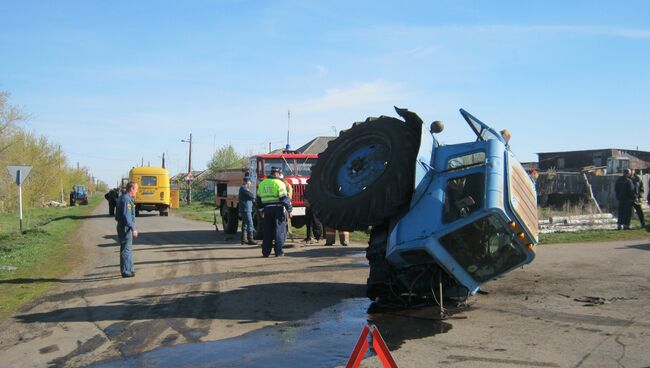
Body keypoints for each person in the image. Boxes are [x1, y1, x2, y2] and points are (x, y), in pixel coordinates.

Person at [256, 167, 292, 257]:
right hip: (278, 209)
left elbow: (258, 199)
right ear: (277, 173)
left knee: (267, 232)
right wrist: (289, 209)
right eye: (280, 174)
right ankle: (278, 252)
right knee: (279, 231)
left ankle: (266, 252)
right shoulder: (279, 183)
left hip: (267, 210)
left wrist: (261, 210)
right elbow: (284, 198)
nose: (280, 175)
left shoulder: (262, 183)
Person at [116, 182, 139, 277]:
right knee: (126, 249)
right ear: (132, 189)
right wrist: (133, 228)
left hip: (124, 226)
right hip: (126, 227)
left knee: (127, 249)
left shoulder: (125, 198)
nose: (137, 192)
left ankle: (129, 269)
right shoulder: (126, 200)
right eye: (136, 189)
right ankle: (126, 271)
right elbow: (127, 216)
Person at [238, 176, 257, 245]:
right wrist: (255, 198)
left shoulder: (243, 188)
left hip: (245, 208)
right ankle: (250, 239)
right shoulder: (244, 188)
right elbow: (251, 196)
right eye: (250, 182)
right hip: (246, 209)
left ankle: (243, 239)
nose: (250, 183)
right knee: (250, 223)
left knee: (245, 224)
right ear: (247, 182)